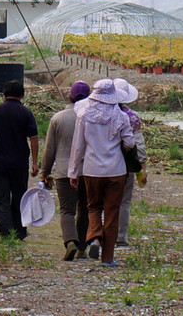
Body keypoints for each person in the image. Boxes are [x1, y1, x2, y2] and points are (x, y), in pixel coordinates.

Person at [69, 78, 135, 267]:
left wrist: (73, 172)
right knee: (112, 212)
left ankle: (95, 238)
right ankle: (107, 258)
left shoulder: (84, 116)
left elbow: (78, 147)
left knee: (93, 207)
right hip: (116, 171)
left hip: (92, 170)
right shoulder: (121, 117)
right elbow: (130, 143)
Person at [0, 80, 39, 240]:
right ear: (22, 95)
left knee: (1, 198)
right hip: (19, 163)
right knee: (20, 197)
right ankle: (19, 231)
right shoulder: (26, 113)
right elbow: (33, 137)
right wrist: (34, 162)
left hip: (0, 162)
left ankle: (6, 231)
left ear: (4, 94)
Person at [40, 80, 91, 260]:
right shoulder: (92, 117)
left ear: (70, 96)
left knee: (67, 211)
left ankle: (70, 242)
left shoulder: (59, 118)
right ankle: (83, 248)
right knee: (85, 209)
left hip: (64, 171)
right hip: (89, 171)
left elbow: (50, 149)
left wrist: (45, 171)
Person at [113, 78, 148, 247]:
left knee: (105, 199)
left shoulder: (101, 114)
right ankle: (121, 236)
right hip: (126, 163)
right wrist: (142, 167)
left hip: (105, 161)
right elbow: (138, 143)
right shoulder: (133, 117)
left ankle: (103, 232)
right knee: (124, 201)